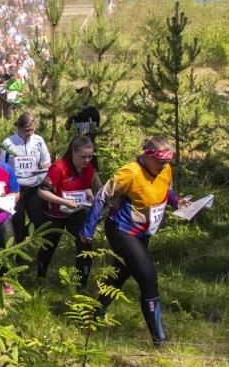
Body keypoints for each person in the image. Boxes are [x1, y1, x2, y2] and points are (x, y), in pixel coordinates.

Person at [80, 136, 190, 346]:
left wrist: (177, 202)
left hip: (144, 232)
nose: (163, 166)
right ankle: (160, 338)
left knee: (119, 275)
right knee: (148, 279)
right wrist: (88, 230)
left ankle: (93, 318)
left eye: (167, 162)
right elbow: (102, 196)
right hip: (122, 231)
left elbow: (166, 190)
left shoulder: (164, 170)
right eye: (159, 162)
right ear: (147, 157)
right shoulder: (130, 172)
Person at [35, 135, 101, 287]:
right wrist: (64, 201)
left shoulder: (89, 169)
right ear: (73, 152)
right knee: (49, 244)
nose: (87, 160)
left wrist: (88, 192)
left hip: (76, 211)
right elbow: (42, 192)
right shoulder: (59, 167)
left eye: (90, 156)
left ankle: (81, 283)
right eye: (83, 157)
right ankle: (41, 277)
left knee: (85, 242)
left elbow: (84, 185)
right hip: (54, 212)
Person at [0, 112, 52, 242]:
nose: (29, 133)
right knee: (17, 223)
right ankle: (18, 253)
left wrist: (45, 173)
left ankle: (24, 236)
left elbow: (46, 161)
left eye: (32, 130)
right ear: (18, 127)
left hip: (34, 187)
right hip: (16, 189)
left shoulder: (38, 140)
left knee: (39, 220)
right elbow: (1, 167)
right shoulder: (7, 143)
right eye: (26, 130)